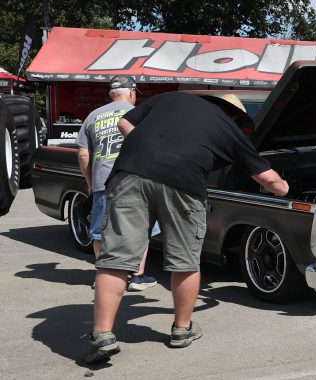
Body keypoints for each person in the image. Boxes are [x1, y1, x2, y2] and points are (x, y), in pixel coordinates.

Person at [85, 92, 289, 364]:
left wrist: (150, 147)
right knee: (185, 260)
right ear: (235, 115)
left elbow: (123, 124)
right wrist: (285, 189)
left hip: (130, 174)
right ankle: (182, 329)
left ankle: (103, 334)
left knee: (115, 260)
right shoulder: (229, 128)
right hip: (184, 183)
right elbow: (267, 179)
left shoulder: (169, 98)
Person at [76, 76, 157, 292]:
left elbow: (83, 155)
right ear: (132, 92)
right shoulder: (141, 114)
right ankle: (137, 277)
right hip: (135, 179)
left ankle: (103, 276)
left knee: (98, 231)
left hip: (103, 180)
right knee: (142, 227)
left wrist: (90, 183)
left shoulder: (93, 115)